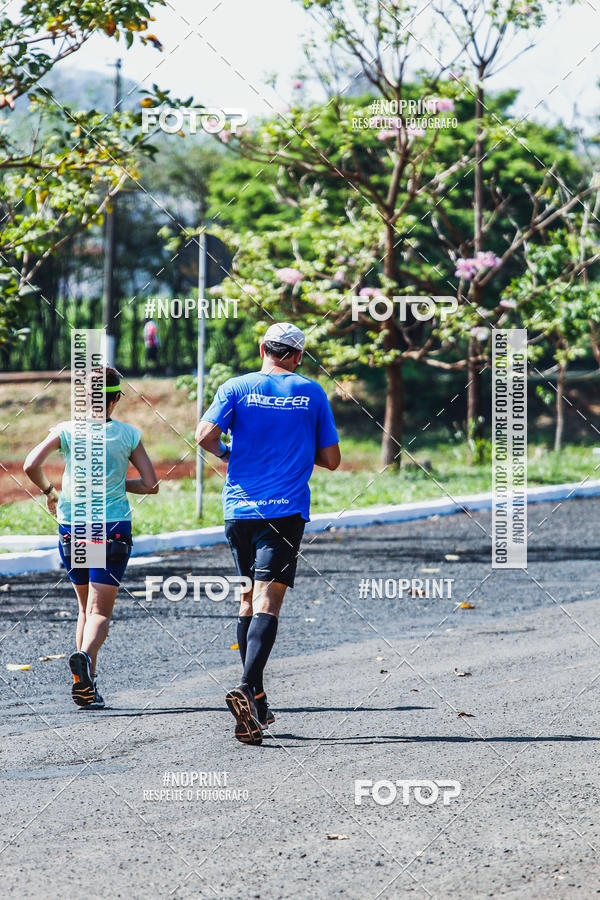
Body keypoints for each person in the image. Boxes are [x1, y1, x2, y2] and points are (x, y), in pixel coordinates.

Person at [196, 323, 341, 745]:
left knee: (245, 598)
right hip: (284, 512)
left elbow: (205, 436)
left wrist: (229, 453)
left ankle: (256, 698)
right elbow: (331, 459)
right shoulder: (311, 392)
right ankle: (246, 686)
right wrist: (297, 446)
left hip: (238, 511)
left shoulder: (235, 386)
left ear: (262, 348)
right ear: (297, 356)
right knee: (267, 602)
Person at [23, 366, 159, 709]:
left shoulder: (66, 430)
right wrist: (116, 485)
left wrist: (50, 492)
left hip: (74, 527)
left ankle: (86, 685)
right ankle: (84, 657)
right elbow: (150, 484)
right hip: (111, 528)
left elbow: (30, 464)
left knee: (84, 608)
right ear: (116, 398)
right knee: (100, 612)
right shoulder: (128, 435)